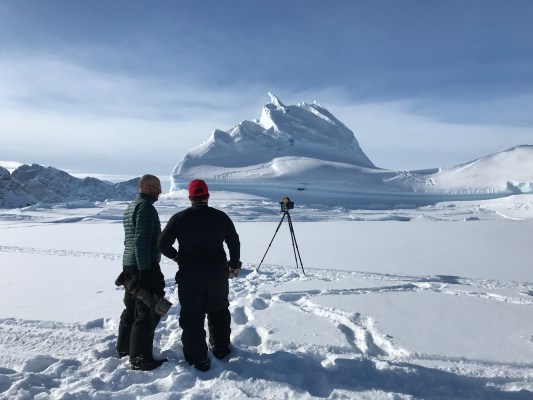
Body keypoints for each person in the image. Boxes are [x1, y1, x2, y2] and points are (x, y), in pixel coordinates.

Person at [158, 179, 241, 372]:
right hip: (217, 275)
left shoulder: (180, 218)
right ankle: (220, 348)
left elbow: (162, 244)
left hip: (190, 276)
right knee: (218, 311)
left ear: (190, 198)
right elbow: (234, 242)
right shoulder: (221, 217)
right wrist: (234, 265)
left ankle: (197, 358)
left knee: (192, 316)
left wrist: (176, 256)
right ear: (207, 196)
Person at [115, 174, 167, 371]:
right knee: (147, 310)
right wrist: (146, 271)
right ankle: (140, 358)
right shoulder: (145, 208)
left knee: (131, 307)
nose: (159, 191)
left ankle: (125, 348)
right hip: (142, 266)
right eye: (156, 187)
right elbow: (141, 241)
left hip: (130, 265)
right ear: (145, 187)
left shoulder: (131, 206)